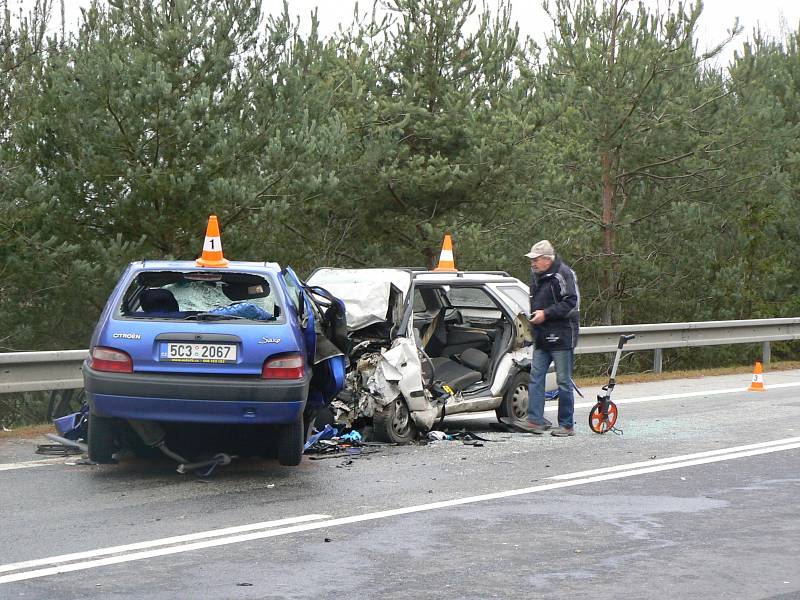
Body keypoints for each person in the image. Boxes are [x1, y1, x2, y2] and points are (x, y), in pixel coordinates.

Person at [521, 240, 580, 436]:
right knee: (536, 377)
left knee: (563, 381)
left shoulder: (563, 274)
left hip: (562, 335)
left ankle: (566, 425)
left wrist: (545, 314)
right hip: (541, 336)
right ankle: (535, 420)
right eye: (532, 260)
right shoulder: (536, 275)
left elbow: (572, 303)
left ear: (547, 259)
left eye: (536, 260)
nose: (533, 263)